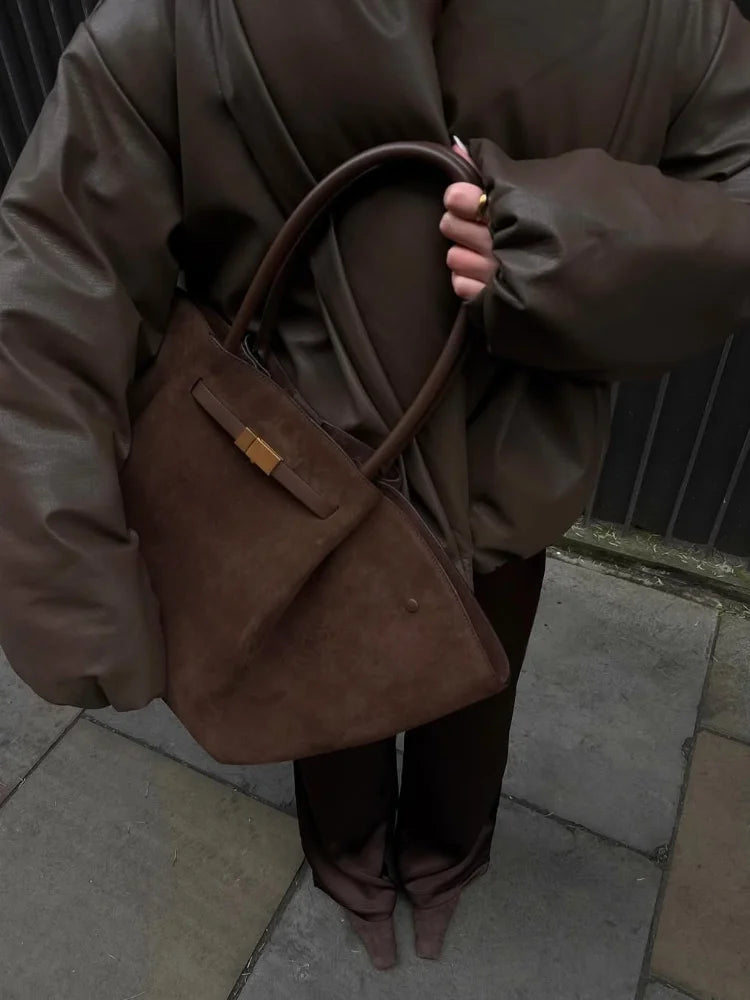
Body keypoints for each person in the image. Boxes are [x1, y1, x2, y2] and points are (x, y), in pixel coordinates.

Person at [1, 0, 749, 972]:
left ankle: (442, 850)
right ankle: (354, 853)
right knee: (332, 700)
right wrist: (58, 558)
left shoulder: (668, 21)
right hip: (299, 471)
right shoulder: (182, 18)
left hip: (482, 484)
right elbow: (60, 267)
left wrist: (559, 238)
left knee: (473, 697)